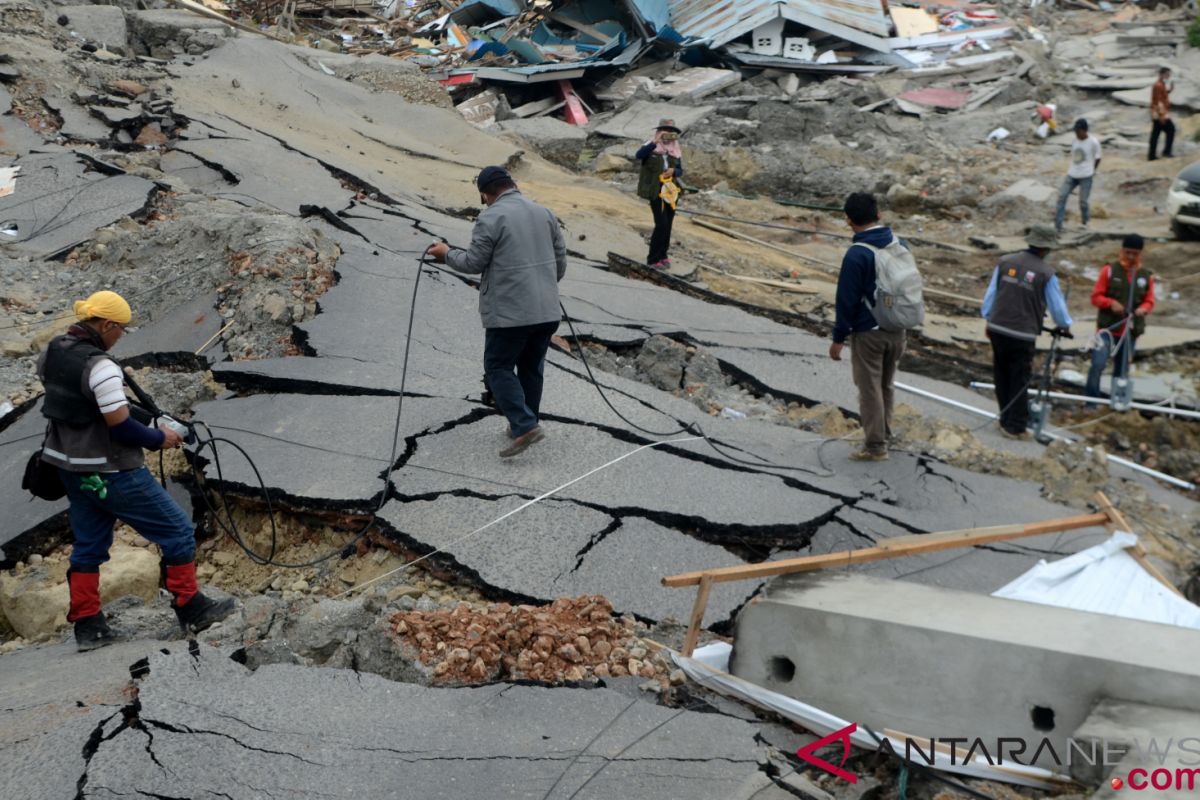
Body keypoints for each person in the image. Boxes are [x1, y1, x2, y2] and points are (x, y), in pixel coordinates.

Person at [37, 291, 235, 651]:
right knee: (176, 530)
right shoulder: (102, 367)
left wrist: (147, 418)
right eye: (122, 330)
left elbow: (81, 402)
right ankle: (191, 607)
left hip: (71, 468)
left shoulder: (54, 350)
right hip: (113, 470)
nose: (121, 336)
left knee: (89, 545)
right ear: (107, 325)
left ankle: (88, 625)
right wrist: (159, 437)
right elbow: (121, 427)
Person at [426, 166, 567, 458]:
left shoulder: (491, 217)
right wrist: (543, 286)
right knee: (531, 366)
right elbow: (560, 262)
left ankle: (525, 425)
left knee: (498, 366)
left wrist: (445, 253)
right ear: (512, 184)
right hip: (547, 311)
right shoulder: (544, 213)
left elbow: (472, 263)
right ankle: (526, 421)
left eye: (484, 198)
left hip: (511, 314)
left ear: (485, 194)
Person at [827, 192, 907, 462]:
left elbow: (846, 300)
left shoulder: (857, 254)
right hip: (898, 328)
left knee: (869, 389)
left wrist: (839, 337)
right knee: (886, 384)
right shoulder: (901, 244)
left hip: (868, 333)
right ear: (879, 216)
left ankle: (875, 446)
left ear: (849, 221)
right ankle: (884, 433)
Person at [981, 226, 1074, 439]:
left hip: (997, 327)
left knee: (1001, 373)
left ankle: (1005, 419)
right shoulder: (1046, 273)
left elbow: (991, 294)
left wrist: (988, 318)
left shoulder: (1005, 262)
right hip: (1022, 333)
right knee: (1019, 377)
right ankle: (1016, 427)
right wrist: (1064, 325)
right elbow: (1058, 308)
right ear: (1046, 249)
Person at [1085, 234, 1154, 402]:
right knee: (1097, 365)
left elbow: (1149, 300)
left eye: (1135, 254)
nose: (1130, 257)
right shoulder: (1108, 271)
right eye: (1128, 252)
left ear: (1140, 254)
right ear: (1122, 251)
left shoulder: (1146, 276)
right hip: (1107, 331)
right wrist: (1110, 303)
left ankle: (1116, 402)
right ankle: (1091, 402)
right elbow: (1095, 297)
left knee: (1122, 370)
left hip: (1129, 333)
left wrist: (1144, 309)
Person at [635, 119, 684, 270]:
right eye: (665, 130)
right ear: (659, 131)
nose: (668, 134)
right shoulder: (650, 146)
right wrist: (655, 142)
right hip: (655, 191)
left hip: (670, 191)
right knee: (661, 224)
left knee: (668, 225)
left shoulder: (675, 150)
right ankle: (653, 259)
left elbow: (681, 170)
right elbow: (639, 155)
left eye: (671, 131)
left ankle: (663, 256)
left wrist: (673, 171)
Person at [1054, 118, 1102, 233]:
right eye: (1075, 131)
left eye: (1078, 131)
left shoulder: (1093, 142)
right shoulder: (1075, 141)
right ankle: (1058, 225)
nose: (1076, 133)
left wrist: (1092, 170)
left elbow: (1098, 157)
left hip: (1086, 175)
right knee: (1062, 196)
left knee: (1083, 201)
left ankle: (1085, 222)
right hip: (1072, 174)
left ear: (1085, 130)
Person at [1149, 67, 1174, 161]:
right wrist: (1162, 116)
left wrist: (1169, 90)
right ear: (1161, 74)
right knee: (1170, 130)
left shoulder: (1160, 85)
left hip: (1157, 113)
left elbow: (1161, 96)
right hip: (1160, 113)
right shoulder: (1159, 85)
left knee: (1155, 134)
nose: (1168, 76)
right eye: (1167, 74)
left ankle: (1152, 155)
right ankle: (1166, 151)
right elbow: (1159, 101)